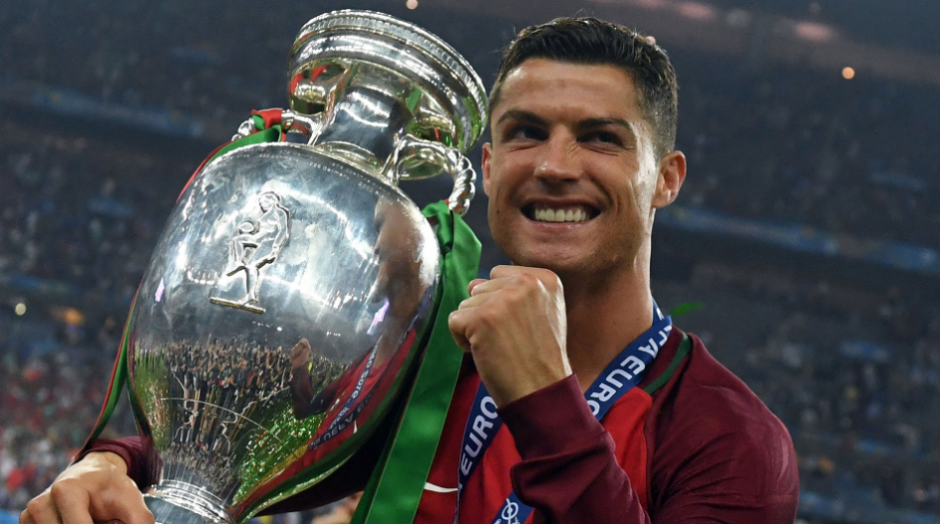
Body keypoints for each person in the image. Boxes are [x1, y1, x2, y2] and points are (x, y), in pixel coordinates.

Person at [20, 17, 799, 524]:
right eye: (527, 134)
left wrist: (545, 403)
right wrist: (105, 466)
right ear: (488, 167)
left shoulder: (727, 438)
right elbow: (210, 454)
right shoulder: (411, 359)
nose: (557, 167)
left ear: (666, 178)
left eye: (601, 139)